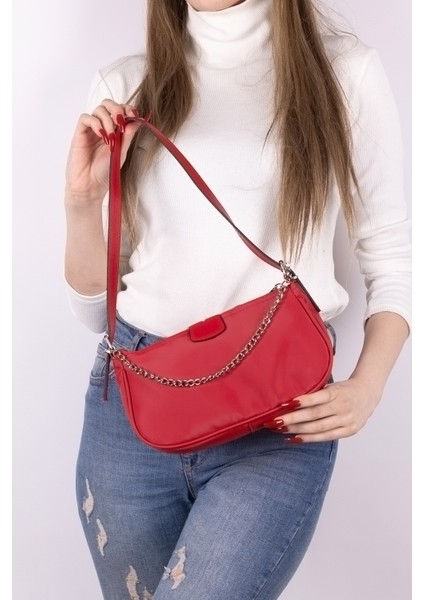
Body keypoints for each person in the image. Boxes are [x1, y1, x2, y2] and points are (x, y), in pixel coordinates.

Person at [63, 0, 411, 598]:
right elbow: (98, 313)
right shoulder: (127, 85)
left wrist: (368, 386)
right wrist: (80, 205)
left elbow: (392, 258)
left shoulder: (344, 72)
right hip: (132, 408)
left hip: (278, 415)